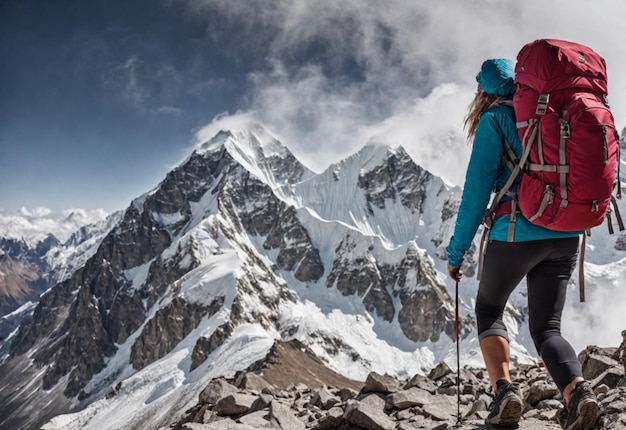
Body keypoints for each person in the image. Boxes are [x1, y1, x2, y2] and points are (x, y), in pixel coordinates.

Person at [445, 58, 599, 429]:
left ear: (483, 91)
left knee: (489, 310)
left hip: (515, 232)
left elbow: (475, 193)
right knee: (547, 328)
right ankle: (579, 394)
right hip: (564, 234)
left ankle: (505, 394)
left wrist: (456, 252)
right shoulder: (552, 114)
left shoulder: (493, 121)